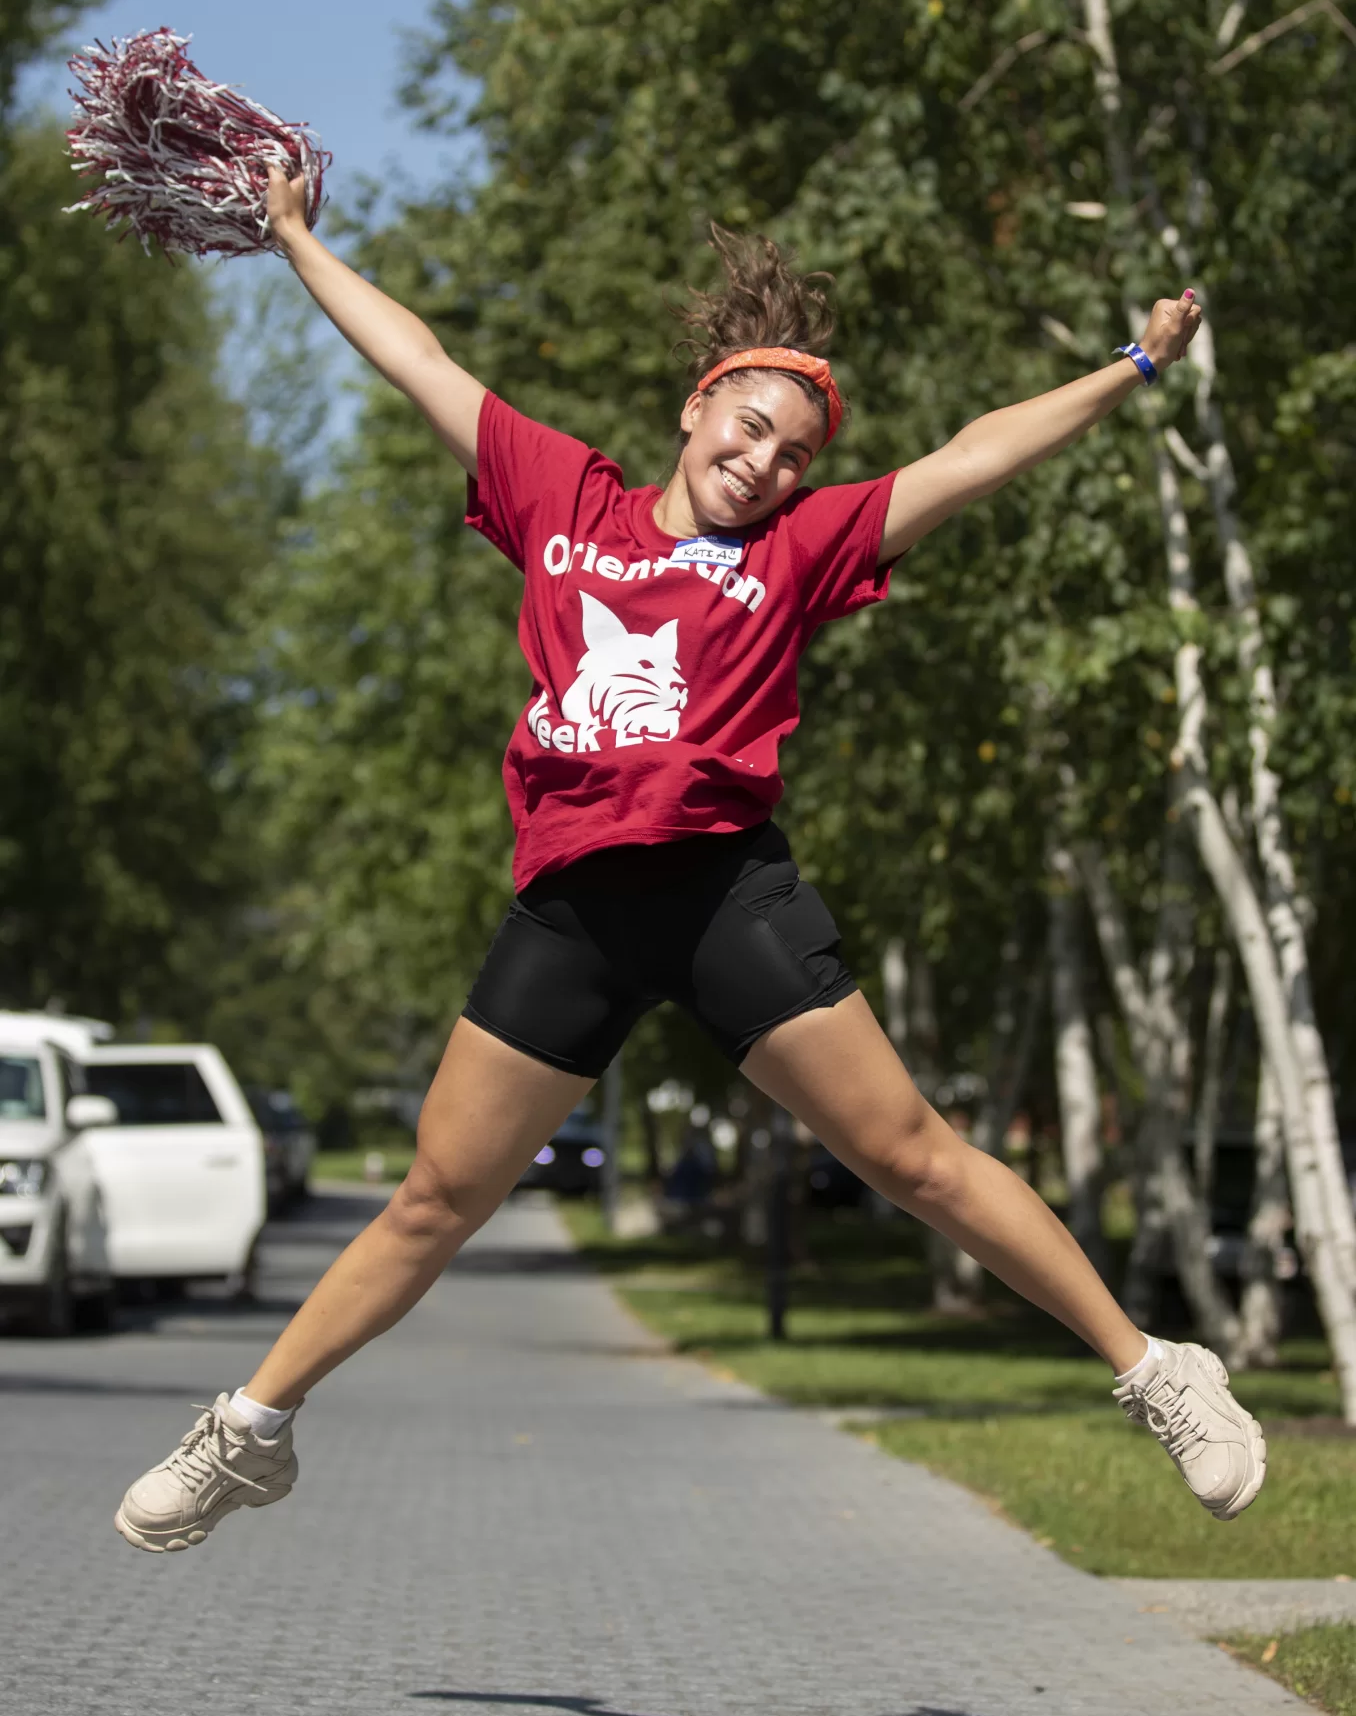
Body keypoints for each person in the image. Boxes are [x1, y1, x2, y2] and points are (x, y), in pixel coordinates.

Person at [113, 170, 1265, 1553]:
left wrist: (1133, 366)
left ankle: (1159, 1372)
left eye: (794, 454)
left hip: (725, 893)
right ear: (697, 408)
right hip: (577, 908)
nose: (768, 464)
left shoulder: (796, 546)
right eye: (752, 429)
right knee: (436, 1194)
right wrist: (296, 233)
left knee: (915, 1156)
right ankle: (250, 1431)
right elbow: (417, 355)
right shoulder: (560, 492)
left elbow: (971, 455)